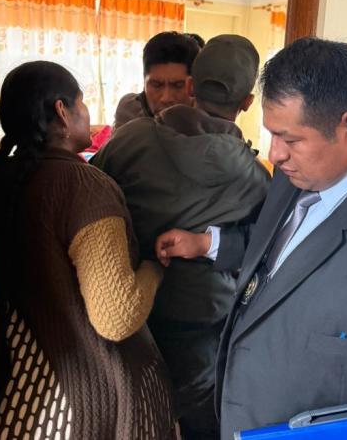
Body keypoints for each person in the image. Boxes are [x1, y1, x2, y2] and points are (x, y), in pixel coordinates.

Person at [156, 37, 347, 439]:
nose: (275, 154)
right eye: (272, 135)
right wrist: (208, 244)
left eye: (290, 139)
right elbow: (285, 251)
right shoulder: (302, 166)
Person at [91, 34, 270, 439]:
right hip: (206, 323)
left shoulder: (129, 141)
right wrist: (210, 244)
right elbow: (267, 250)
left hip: (132, 312)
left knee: (135, 419)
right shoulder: (257, 181)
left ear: (190, 85)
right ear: (247, 102)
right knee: (198, 424)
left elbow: (88, 202)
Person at [0, 61, 174, 439]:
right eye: (82, 102)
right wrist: (156, 266)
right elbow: (116, 316)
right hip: (89, 405)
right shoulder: (83, 187)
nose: (87, 113)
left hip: (19, 401)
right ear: (62, 111)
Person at [113, 31, 204, 129]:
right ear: (144, 81)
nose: (166, 98)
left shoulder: (207, 118)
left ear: (193, 85)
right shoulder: (129, 109)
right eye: (156, 85)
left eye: (178, 86)